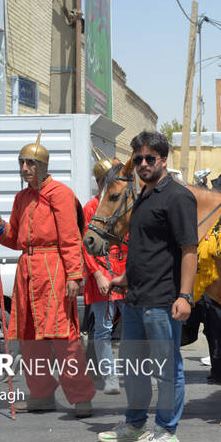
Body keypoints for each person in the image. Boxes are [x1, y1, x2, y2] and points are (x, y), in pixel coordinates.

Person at [96, 131, 197, 442]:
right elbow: (145, 248)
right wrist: (124, 278)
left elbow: (189, 250)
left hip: (163, 299)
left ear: (163, 160)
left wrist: (185, 296)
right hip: (136, 297)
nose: (142, 164)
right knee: (134, 366)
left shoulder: (177, 197)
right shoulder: (143, 196)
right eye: (137, 158)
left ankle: (167, 430)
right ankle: (135, 423)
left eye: (149, 158)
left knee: (167, 367)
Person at [0, 133, 95, 417]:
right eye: (22, 163)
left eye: (31, 163)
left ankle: (81, 397)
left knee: (64, 336)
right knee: (29, 339)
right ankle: (41, 395)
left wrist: (74, 275)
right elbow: (14, 238)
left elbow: (71, 238)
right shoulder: (21, 197)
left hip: (54, 269)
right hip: (27, 271)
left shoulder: (60, 194)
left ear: (44, 165)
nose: (25, 168)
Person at [82, 153, 128, 395]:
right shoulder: (90, 208)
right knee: (102, 330)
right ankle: (109, 377)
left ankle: (140, 373)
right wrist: (98, 274)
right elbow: (86, 245)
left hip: (124, 274)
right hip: (101, 274)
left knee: (135, 328)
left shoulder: (122, 203)